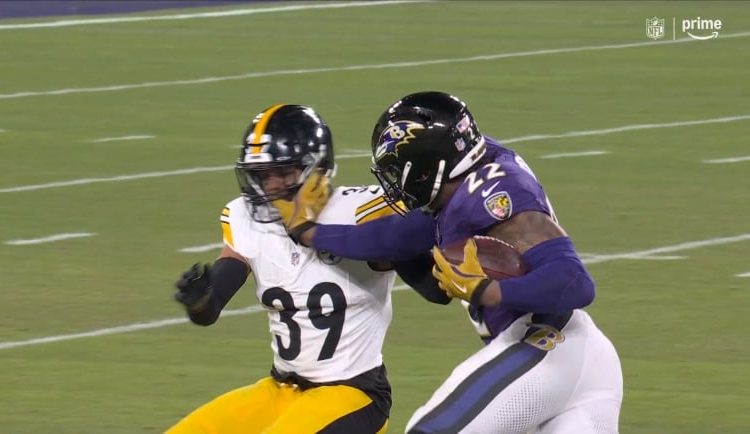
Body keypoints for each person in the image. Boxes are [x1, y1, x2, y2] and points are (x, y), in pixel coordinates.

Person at [282, 92, 623, 433]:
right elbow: (396, 236)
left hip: (547, 347)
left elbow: (575, 281)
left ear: (426, 166)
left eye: (397, 171)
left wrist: (488, 291)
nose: (394, 184)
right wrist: (308, 231)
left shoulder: (493, 194)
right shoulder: (462, 178)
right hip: (579, 359)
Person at [167, 104, 396, 434]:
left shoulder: (360, 212)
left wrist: (317, 233)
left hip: (353, 394)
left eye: (283, 172)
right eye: (263, 174)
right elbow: (210, 309)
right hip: (282, 389)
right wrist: (199, 300)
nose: (272, 186)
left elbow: (412, 245)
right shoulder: (246, 220)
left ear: (317, 167)